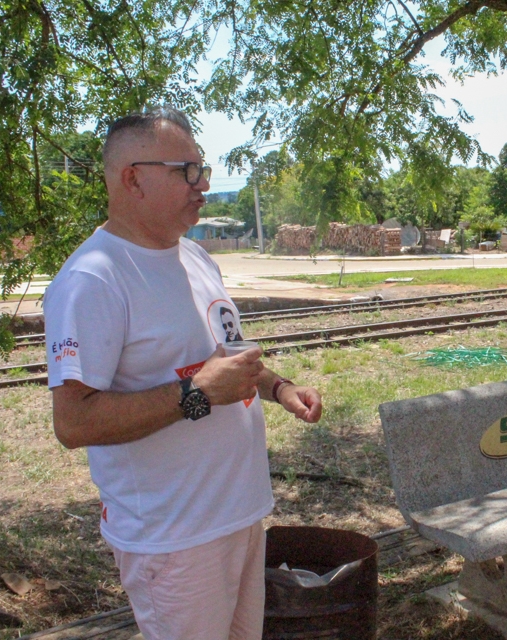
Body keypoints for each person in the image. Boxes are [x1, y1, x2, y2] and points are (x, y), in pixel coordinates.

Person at [44, 107, 323, 640]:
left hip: (239, 515)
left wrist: (279, 388)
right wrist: (194, 394)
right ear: (132, 178)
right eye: (185, 171)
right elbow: (73, 424)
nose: (202, 185)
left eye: (203, 169)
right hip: (173, 540)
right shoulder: (92, 279)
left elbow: (227, 358)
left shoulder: (195, 257)